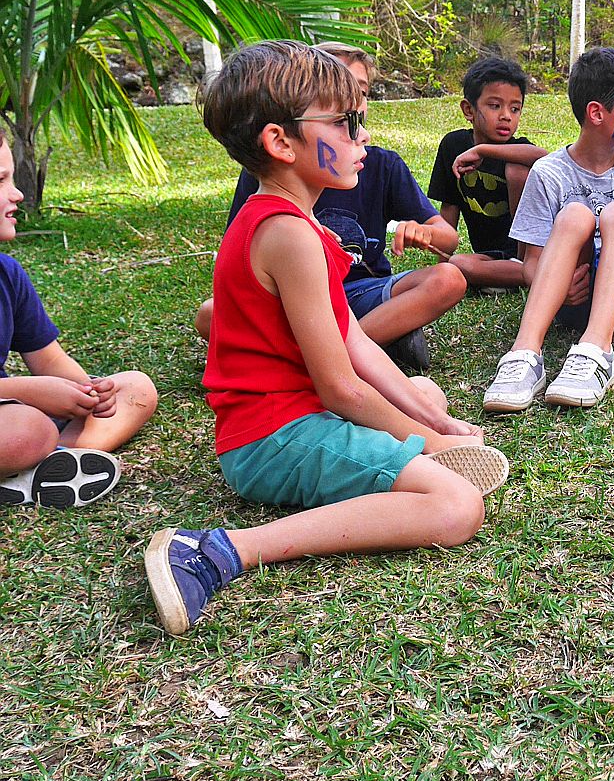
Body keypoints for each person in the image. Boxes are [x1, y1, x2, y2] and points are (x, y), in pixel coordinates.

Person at [145, 41, 509, 636]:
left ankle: (417, 448)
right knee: (456, 507)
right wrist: (429, 443)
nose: (361, 138)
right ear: (280, 142)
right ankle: (216, 551)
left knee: (423, 389)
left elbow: (358, 345)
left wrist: (435, 426)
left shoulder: (297, 222)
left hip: (294, 417)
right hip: (274, 436)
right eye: (344, 122)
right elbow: (341, 386)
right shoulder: (288, 234)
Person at [194, 42, 464, 373]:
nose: (355, 116)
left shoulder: (382, 166)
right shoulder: (267, 175)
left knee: (448, 278)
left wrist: (424, 231)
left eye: (358, 95)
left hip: (364, 289)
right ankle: (364, 348)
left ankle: (339, 353)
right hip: (292, 301)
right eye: (337, 109)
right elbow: (239, 257)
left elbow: (449, 240)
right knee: (211, 313)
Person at [481, 47, 614, 412]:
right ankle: (525, 353)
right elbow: (530, 264)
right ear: (597, 113)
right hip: (571, 299)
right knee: (574, 215)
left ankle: (597, 349)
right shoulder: (548, 173)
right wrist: (559, 287)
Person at [0, 127, 157, 508]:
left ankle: (50, 466)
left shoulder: (7, 274)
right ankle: (34, 460)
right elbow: (29, 393)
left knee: (135, 388)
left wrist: (88, 393)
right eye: (1, 180)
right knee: (28, 429)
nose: (18, 192)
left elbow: (48, 359)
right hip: (15, 416)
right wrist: (22, 391)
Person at [429, 56, 548, 293]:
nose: (506, 116)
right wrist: (441, 266)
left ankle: (528, 270)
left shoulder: (520, 150)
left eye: (515, 109)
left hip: (532, 253)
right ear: (468, 109)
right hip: (490, 257)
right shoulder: (453, 146)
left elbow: (546, 158)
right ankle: (525, 278)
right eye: (495, 106)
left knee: (516, 169)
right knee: (459, 264)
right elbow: (450, 207)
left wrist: (483, 150)